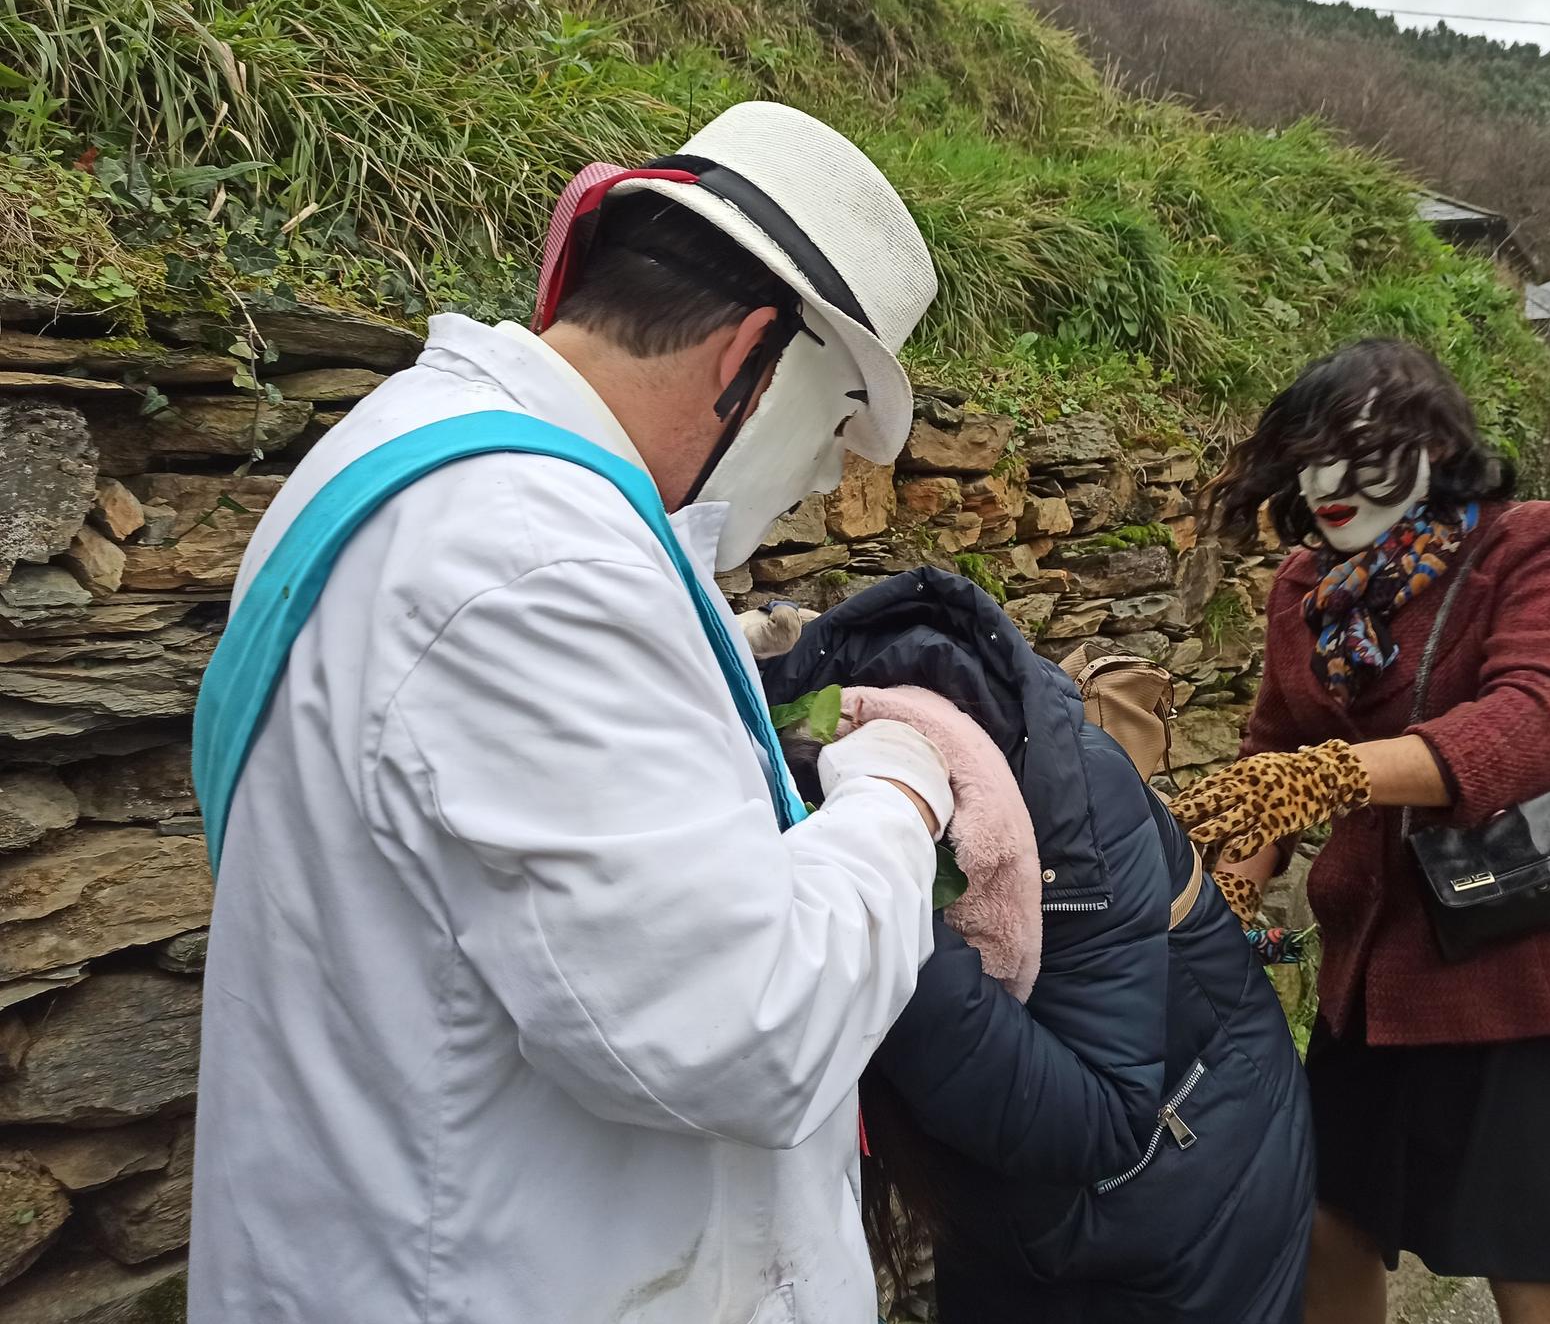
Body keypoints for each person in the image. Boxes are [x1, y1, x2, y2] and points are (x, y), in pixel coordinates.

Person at [188, 103, 980, 1322]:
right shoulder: (532, 563)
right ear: (745, 362)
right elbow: (746, 1022)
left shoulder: (421, 458)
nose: (828, 478)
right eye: (830, 427)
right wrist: (899, 785)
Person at [1195, 339, 1550, 1324]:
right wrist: (1227, 885)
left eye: (1363, 451)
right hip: (1368, 966)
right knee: (1325, 1220)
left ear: (1437, 444)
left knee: (1524, 1257)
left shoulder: (1541, 542)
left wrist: (1332, 773)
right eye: (1310, 458)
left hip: (1509, 953)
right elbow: (1274, 746)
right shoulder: (1306, 583)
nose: (1329, 483)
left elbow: (1539, 716)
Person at [762, 570, 1316, 1323]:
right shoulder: (803, 769)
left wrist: (876, 905)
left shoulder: (1068, 793)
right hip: (1024, 1222)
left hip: (1187, 1199)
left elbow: (1109, 1118)